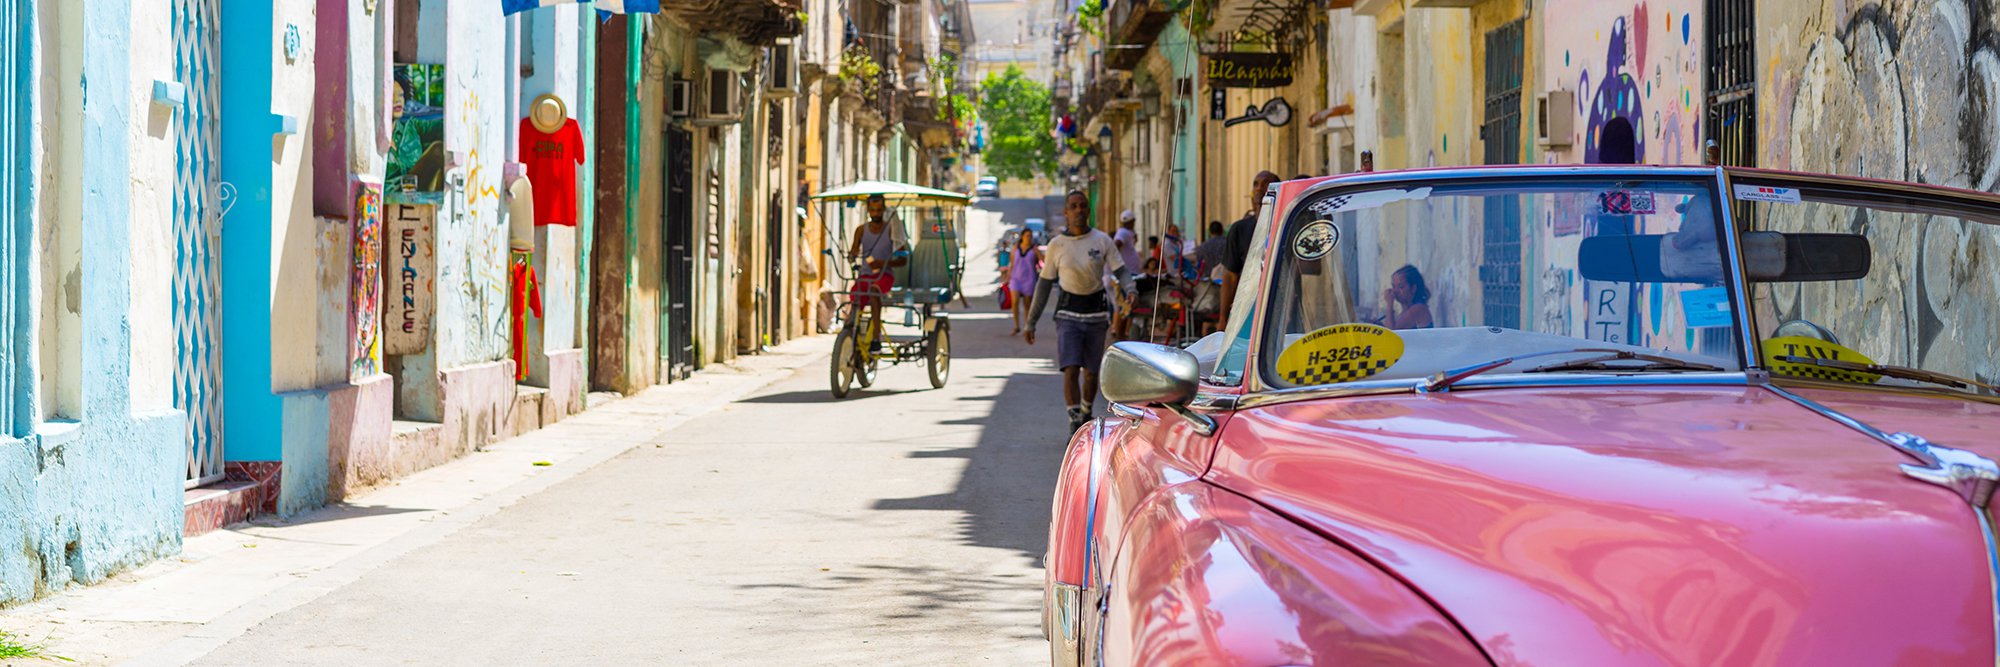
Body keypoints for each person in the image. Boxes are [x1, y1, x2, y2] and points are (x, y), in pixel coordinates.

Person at [1026, 191, 1134, 433]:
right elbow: (1044, 284)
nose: (1078, 210)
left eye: (1082, 206)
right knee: (1071, 367)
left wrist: (1130, 288)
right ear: (1066, 212)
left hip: (1095, 314)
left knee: (1091, 373)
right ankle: (1074, 419)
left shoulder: (1102, 240)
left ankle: (1086, 410)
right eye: (1073, 206)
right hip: (1067, 314)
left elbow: (1121, 270)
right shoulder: (1057, 245)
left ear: (1088, 210)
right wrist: (1031, 321)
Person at [848, 193, 909, 353]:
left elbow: (903, 260)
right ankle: (851, 329)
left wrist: (883, 263)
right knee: (855, 293)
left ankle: (876, 337)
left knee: (874, 291)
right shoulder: (861, 230)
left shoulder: (891, 230)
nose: (876, 214)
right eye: (872, 210)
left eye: (879, 210)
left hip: (885, 276)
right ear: (868, 210)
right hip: (865, 275)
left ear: (883, 210)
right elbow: (853, 250)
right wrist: (852, 256)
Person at [1220, 171, 1282, 324]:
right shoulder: (1239, 229)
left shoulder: (1284, 225)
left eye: (1265, 183)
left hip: (1280, 307)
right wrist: (1222, 319)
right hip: (1247, 309)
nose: (1259, 188)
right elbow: (1230, 276)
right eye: (1255, 184)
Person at [1378, 265, 1434, 329]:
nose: (1395, 291)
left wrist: (1390, 303)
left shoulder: (1418, 309)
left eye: (1400, 287)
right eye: (1393, 286)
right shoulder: (1406, 310)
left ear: (1413, 288)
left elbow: (1392, 333)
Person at [1007, 229, 1041, 335]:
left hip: (1029, 279)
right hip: (1015, 279)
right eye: (1027, 236)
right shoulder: (1015, 248)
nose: (1029, 238)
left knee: (1027, 305)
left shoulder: (1034, 249)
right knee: (1015, 301)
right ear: (1022, 237)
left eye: (1030, 236)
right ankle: (1016, 326)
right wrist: (1008, 277)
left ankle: (1027, 326)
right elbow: (1012, 263)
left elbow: (1043, 260)